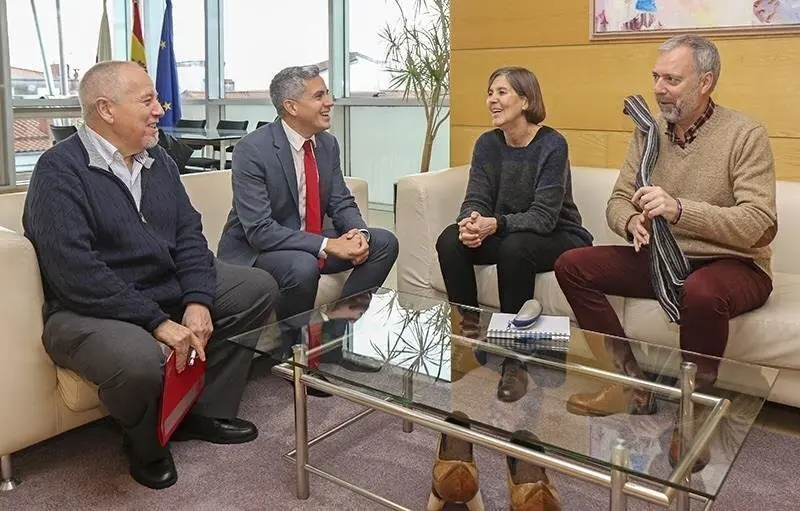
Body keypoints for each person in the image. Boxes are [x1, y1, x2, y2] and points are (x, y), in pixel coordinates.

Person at [22, 61, 279, 490]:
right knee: (138, 359)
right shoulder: (58, 171)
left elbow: (189, 234)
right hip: (87, 310)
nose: (161, 109)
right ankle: (146, 443)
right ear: (106, 109)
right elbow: (76, 273)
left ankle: (199, 411)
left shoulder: (158, 160)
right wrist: (157, 321)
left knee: (256, 288)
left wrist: (197, 300)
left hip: (162, 288)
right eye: (147, 101)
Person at [554, 35, 776, 470]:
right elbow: (619, 199)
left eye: (672, 79)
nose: (658, 88)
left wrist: (679, 210)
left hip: (735, 263)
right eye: (656, 77)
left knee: (700, 291)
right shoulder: (648, 130)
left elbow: (759, 223)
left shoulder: (744, 134)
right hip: (661, 256)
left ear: (705, 83)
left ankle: (694, 413)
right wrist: (630, 222)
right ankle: (629, 385)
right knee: (572, 265)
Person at [435, 66, 593, 403]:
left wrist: (495, 224)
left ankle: (514, 360)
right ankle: (469, 338)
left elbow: (544, 217)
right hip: (508, 231)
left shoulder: (552, 144)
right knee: (450, 240)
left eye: (502, 92)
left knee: (514, 247)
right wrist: (470, 223)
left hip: (559, 235)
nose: (492, 100)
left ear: (525, 100)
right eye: (490, 93)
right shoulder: (487, 144)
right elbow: (476, 197)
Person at [217, 65, 398, 323]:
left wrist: (358, 233)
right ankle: (291, 343)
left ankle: (338, 330)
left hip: (308, 242)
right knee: (303, 265)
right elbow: (259, 230)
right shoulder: (252, 150)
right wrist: (327, 245)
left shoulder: (327, 144)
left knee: (383, 243)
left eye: (328, 94)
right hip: (258, 250)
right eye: (319, 96)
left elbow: (341, 202)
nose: (330, 102)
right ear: (291, 107)